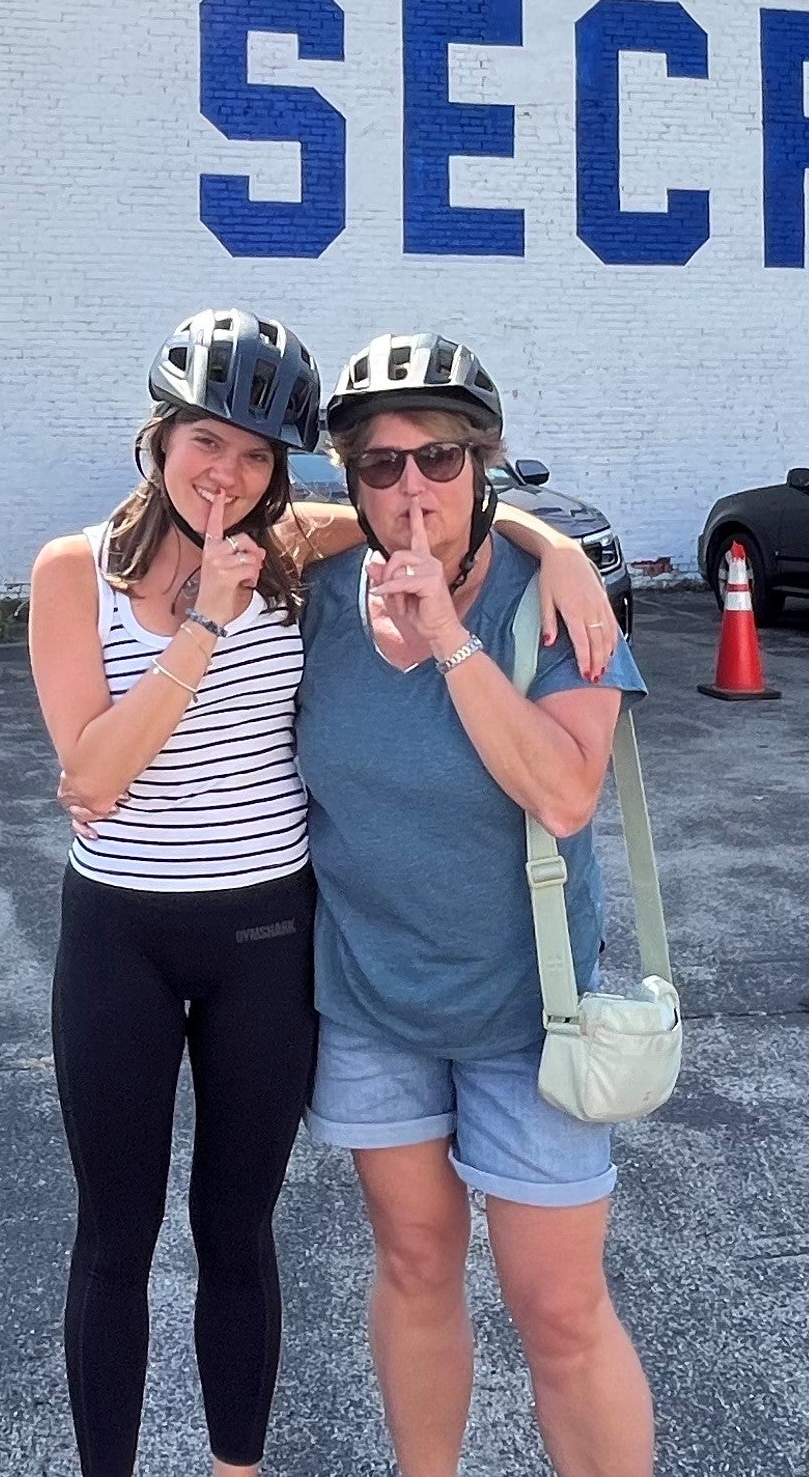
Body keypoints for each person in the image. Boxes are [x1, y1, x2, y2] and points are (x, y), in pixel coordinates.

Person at [28, 307, 617, 1477]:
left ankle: (235, 1469)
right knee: (118, 1236)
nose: (228, 474)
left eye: (255, 456)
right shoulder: (86, 570)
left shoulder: (296, 550)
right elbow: (89, 778)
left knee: (240, 1233)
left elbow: (434, 510)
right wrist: (202, 625)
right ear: (156, 440)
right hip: (125, 935)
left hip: (270, 937)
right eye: (206, 442)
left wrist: (556, 550)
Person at [296, 332, 654, 1477]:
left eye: (441, 459)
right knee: (411, 1263)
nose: (414, 488)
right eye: (383, 464)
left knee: (556, 1309)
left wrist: (457, 633)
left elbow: (564, 789)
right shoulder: (312, 592)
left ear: (485, 466)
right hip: (371, 1001)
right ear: (348, 482)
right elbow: (192, 511)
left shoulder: (555, 606)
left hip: (528, 1013)